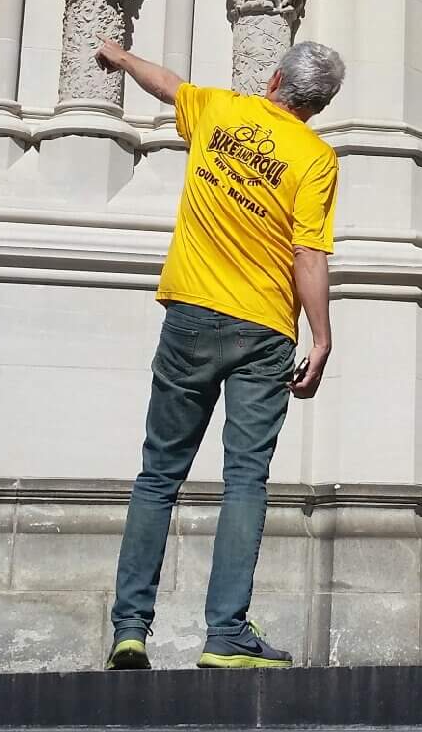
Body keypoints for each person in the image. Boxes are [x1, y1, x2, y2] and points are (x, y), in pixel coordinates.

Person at [99, 38, 346, 671]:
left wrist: (122, 59)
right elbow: (309, 254)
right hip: (263, 328)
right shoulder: (315, 157)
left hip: (189, 313)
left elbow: (168, 85)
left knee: (159, 474)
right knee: (245, 480)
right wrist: (321, 336)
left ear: (273, 79)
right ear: (316, 106)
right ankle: (225, 632)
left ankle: (130, 628)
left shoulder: (219, 110)